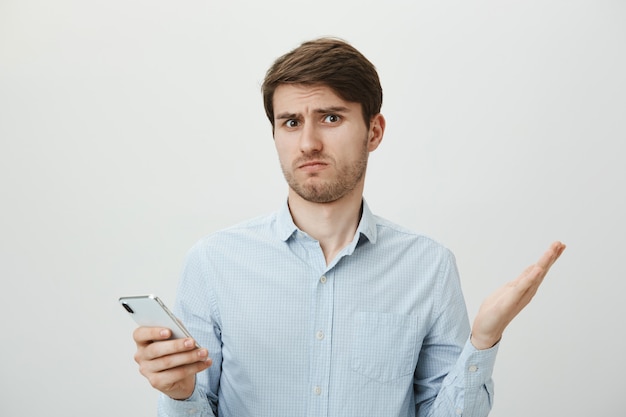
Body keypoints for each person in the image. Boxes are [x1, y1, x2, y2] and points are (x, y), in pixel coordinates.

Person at [132, 37, 565, 417]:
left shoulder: (429, 267)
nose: (308, 143)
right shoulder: (213, 264)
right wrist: (180, 394)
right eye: (291, 122)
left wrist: (483, 340)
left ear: (374, 131)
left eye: (331, 118)